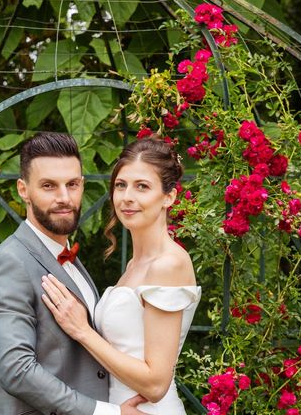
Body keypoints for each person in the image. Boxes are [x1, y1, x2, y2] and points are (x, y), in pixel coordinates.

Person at [0, 132, 147, 415]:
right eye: (49, 186)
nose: (64, 198)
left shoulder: (69, 259)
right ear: (23, 190)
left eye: (72, 184)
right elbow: (17, 371)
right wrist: (107, 413)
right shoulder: (7, 265)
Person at [41, 136, 201, 415]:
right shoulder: (134, 265)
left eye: (142, 187)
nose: (127, 197)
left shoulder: (167, 264)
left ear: (169, 197)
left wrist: (82, 331)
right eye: (120, 185)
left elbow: (155, 384)